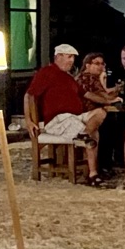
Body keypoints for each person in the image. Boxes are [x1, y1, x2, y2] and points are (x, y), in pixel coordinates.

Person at [26, 42, 107, 181]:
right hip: (58, 120)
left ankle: (84, 136)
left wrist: (109, 101)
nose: (72, 61)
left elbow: (87, 94)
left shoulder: (68, 77)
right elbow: (29, 95)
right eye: (69, 57)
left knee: (100, 113)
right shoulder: (46, 72)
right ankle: (93, 174)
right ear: (58, 57)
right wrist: (28, 120)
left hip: (75, 116)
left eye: (73, 57)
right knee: (92, 133)